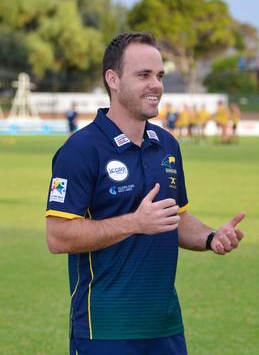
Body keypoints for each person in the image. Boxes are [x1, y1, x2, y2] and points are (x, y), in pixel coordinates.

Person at [45, 32, 246, 354]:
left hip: (165, 327)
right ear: (113, 79)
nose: (156, 85)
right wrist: (134, 223)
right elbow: (58, 236)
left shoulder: (166, 144)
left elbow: (173, 217)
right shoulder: (80, 150)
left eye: (160, 76)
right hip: (106, 330)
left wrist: (211, 237)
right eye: (143, 75)